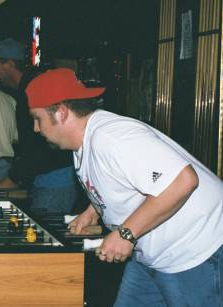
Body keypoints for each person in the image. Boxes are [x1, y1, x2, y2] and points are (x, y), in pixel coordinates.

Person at [26, 68, 223, 306]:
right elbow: (119, 178)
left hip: (197, 251)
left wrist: (125, 233)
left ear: (61, 113)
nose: (36, 129)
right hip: (151, 255)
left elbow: (183, 181)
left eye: (38, 119)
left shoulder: (113, 139)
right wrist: (93, 211)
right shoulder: (83, 143)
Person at [0, 38, 77, 213]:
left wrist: (13, 178)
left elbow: (39, 147)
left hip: (54, 181)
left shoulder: (31, 92)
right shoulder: (29, 87)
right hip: (48, 177)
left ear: (9, 64)